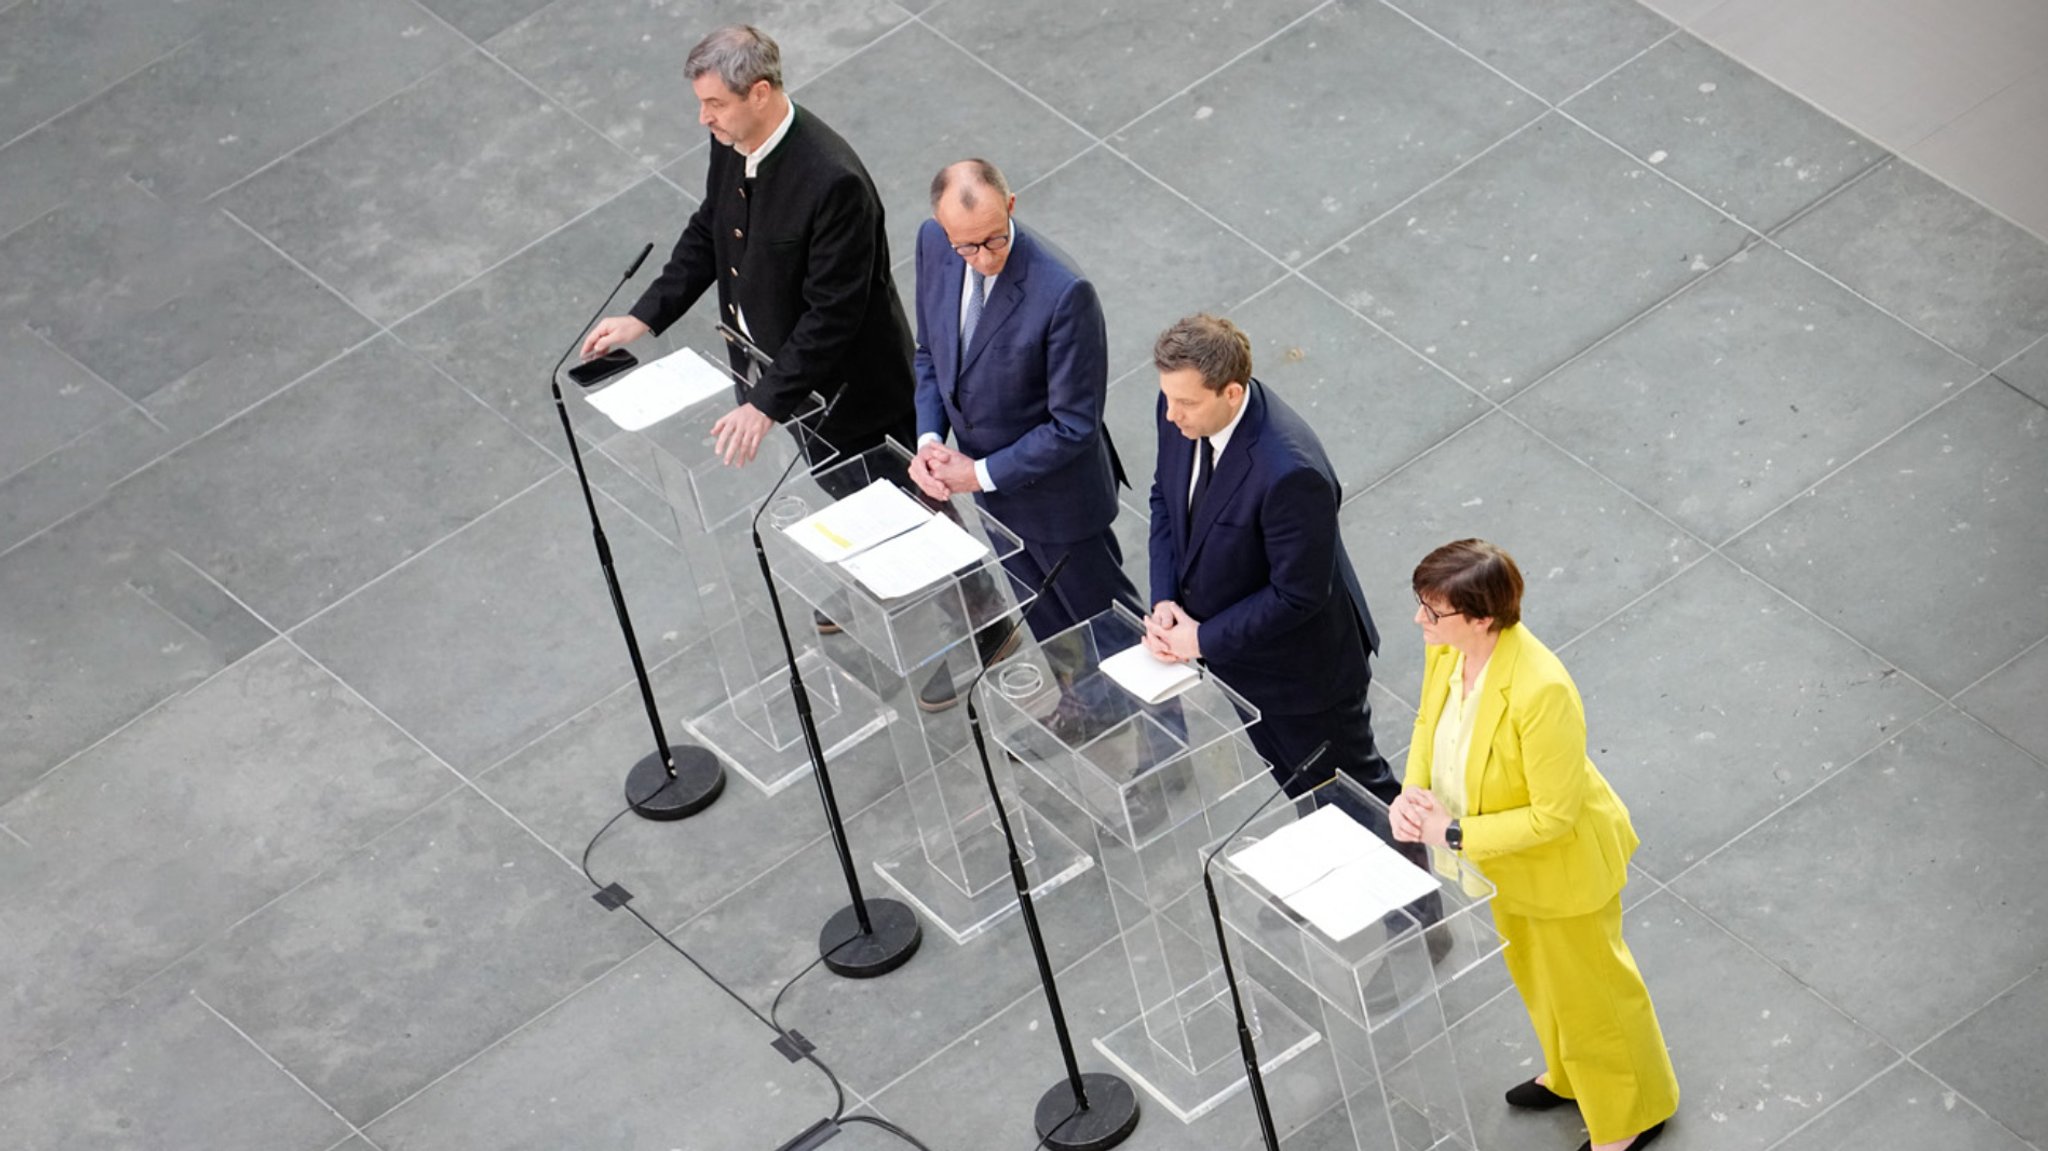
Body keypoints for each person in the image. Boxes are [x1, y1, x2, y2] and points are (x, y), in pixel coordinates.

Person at [1390, 539, 1677, 1151]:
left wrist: (1452, 833)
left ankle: (1631, 1114)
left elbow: (1553, 815)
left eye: (1432, 610)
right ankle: (1573, 1076)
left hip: (1559, 868)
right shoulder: (1447, 652)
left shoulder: (1542, 690)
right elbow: (1426, 723)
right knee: (1539, 978)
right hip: (1505, 865)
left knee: (1593, 994)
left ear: (1482, 617)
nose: (1420, 620)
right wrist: (1411, 793)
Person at [1140, 316, 1424, 866]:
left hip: (1305, 675)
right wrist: (1166, 599)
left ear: (1232, 392)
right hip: (1237, 657)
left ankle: (1417, 922)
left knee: (1356, 795)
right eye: (1167, 399)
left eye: (1186, 403)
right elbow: (1164, 502)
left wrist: (1201, 638)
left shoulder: (1289, 470)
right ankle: (1335, 866)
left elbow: (1299, 594)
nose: (1171, 415)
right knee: (1301, 785)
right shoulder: (1181, 410)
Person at [580, 24, 915, 472]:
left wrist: (764, 403)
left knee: (902, 519)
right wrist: (645, 315)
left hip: (853, 406)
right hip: (787, 383)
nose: (704, 117)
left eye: (714, 104)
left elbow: (832, 316)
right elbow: (711, 227)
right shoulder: (732, 137)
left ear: (759, 94)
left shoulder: (835, 183)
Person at [905, 159, 1141, 711]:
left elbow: (1074, 425)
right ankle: (1084, 707)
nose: (983, 258)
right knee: (1045, 618)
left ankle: (1164, 748)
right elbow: (931, 356)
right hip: (993, 499)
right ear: (941, 231)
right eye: (967, 247)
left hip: (1061, 503)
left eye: (993, 240)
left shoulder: (1063, 292)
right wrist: (928, 443)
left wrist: (978, 473)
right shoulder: (933, 245)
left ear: (1011, 206)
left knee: (1108, 625)